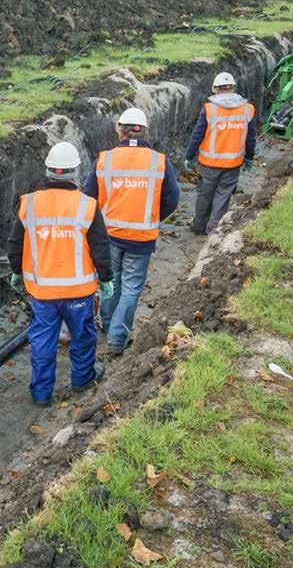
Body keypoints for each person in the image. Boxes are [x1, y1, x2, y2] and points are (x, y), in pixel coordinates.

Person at [7, 141, 113, 406]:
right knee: (83, 336)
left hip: (43, 292)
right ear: (75, 172)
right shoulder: (87, 205)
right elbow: (100, 246)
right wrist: (107, 278)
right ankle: (82, 380)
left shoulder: (29, 204)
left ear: (48, 170)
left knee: (43, 340)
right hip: (79, 292)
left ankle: (41, 394)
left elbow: (16, 244)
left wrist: (16, 272)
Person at [84, 108, 180, 356]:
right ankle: (118, 337)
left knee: (110, 282)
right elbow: (172, 198)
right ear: (145, 131)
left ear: (120, 130)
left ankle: (108, 326)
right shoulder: (159, 161)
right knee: (131, 288)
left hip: (108, 236)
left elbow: (88, 199)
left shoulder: (104, 159)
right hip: (141, 239)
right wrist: (151, 218)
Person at [184, 72, 256, 235]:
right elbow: (251, 138)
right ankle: (214, 230)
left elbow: (198, 135)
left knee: (204, 195)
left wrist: (189, 156)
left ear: (215, 89)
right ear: (233, 89)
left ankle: (199, 226)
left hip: (209, 164)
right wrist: (250, 158)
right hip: (233, 165)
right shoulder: (247, 109)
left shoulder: (209, 109)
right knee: (223, 197)